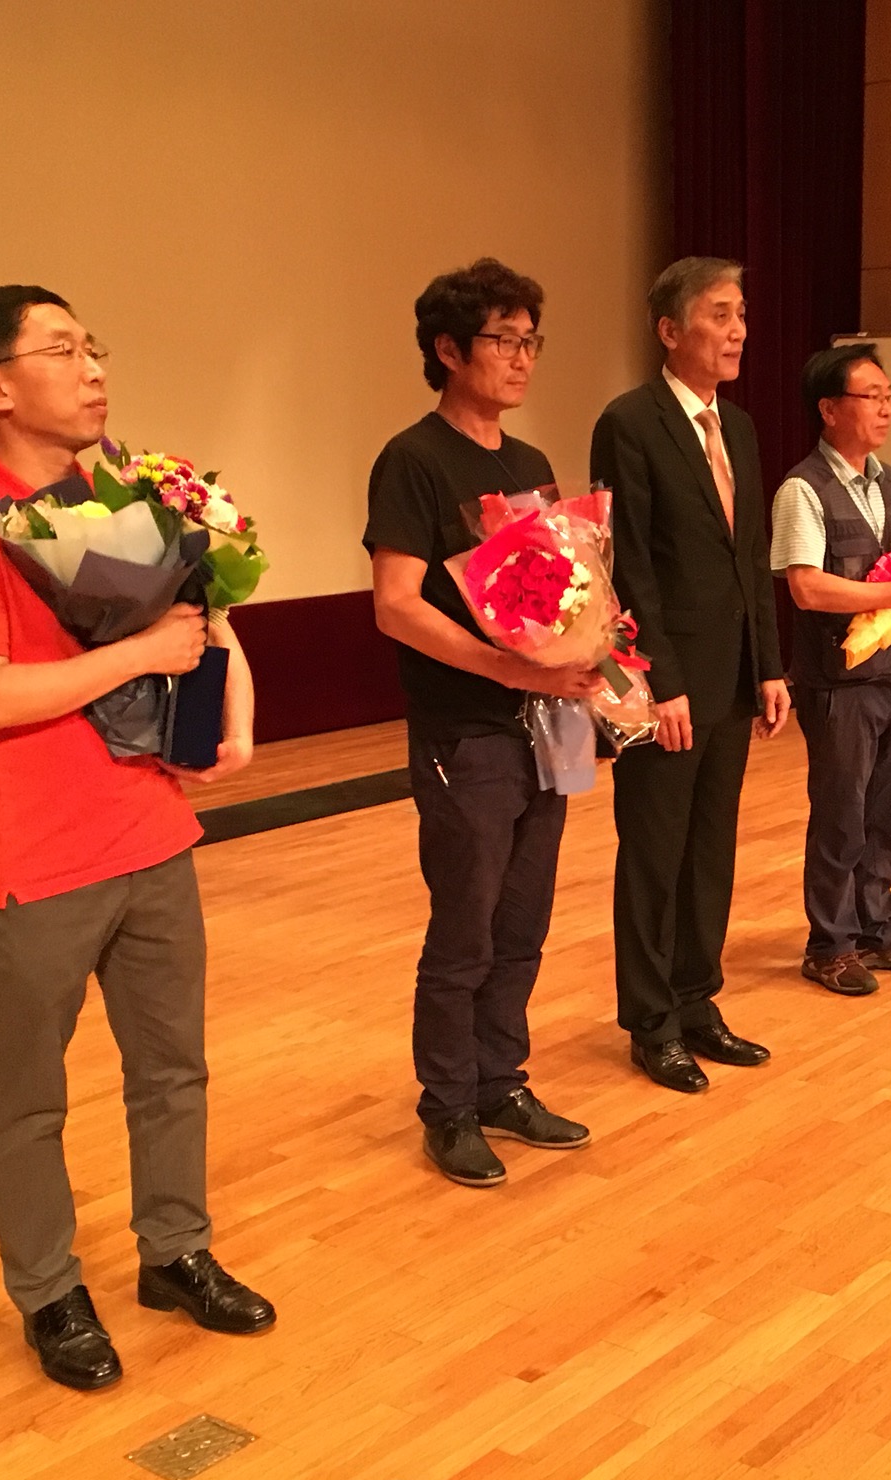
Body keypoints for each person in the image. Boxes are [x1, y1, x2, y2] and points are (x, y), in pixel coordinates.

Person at [0, 285, 274, 1393]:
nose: (93, 369)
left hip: (152, 832)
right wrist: (140, 655)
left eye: (93, 347)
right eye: (61, 350)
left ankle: (175, 1250)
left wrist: (232, 719)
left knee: (173, 1068)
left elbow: (206, 622)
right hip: (33, 855)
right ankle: (48, 1291)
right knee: (28, 1095)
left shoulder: (128, 495)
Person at [365, 258, 601, 1189]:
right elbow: (396, 605)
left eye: (531, 340)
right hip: (466, 728)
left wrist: (589, 645)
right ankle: (449, 1105)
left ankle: (503, 1082)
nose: (522, 357)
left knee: (523, 918)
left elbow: (561, 587)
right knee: (465, 924)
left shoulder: (528, 463)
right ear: (449, 349)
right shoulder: (414, 459)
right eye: (503, 340)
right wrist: (507, 663)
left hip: (544, 723)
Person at [591, 258, 792, 1093]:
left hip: (733, 676)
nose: (737, 330)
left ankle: (697, 1000)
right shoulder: (629, 421)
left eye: (741, 313)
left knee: (710, 849)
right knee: (654, 853)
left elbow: (751, 556)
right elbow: (628, 561)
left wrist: (770, 666)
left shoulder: (737, 426)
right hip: (665, 683)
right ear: (670, 330)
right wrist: (658, 680)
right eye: (719, 314)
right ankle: (651, 1022)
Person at [769, 344, 891, 995]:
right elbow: (806, 587)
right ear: (829, 408)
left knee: (888, 816)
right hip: (838, 684)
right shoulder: (802, 489)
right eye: (872, 396)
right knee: (841, 817)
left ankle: (878, 930)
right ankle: (829, 945)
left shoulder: (889, 480)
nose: (886, 408)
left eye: (889, 396)